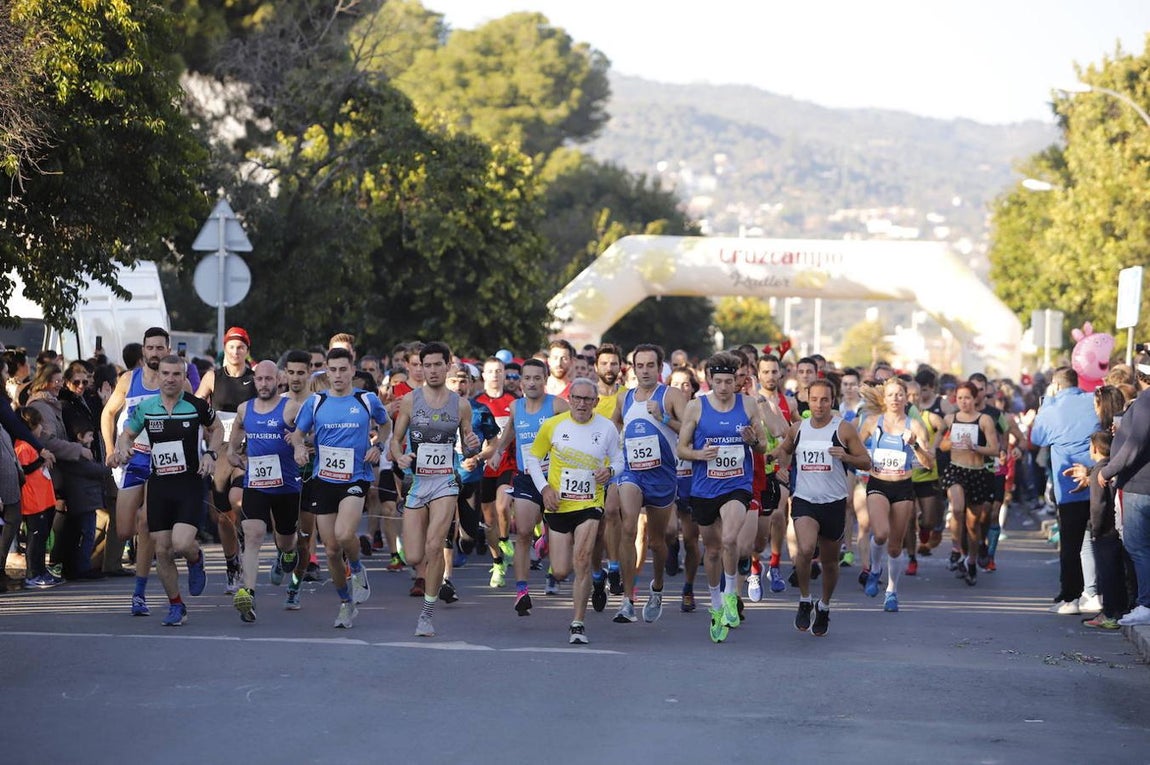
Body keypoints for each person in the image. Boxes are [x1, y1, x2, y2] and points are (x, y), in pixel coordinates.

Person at [111, 356, 223, 626]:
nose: (170, 379)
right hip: (159, 484)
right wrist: (122, 447)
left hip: (189, 483)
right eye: (166, 373)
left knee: (182, 544)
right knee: (162, 549)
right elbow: (127, 433)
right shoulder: (148, 408)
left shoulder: (196, 405)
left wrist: (211, 454)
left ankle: (195, 558)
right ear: (158, 375)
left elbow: (216, 428)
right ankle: (176, 605)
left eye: (176, 374)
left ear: (184, 377)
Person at [291, 347, 390, 629]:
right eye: (331, 370)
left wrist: (378, 446)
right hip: (324, 480)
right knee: (332, 550)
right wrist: (299, 448)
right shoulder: (316, 402)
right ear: (326, 373)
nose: (337, 375)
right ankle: (346, 603)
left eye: (342, 369)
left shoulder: (366, 400)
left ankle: (357, 568)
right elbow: (298, 433)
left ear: (352, 370)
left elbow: (386, 424)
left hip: (355, 477)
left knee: (345, 533)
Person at [676, 351, 770, 643]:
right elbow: (681, 448)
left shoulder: (749, 404)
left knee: (730, 539)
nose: (725, 388)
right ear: (710, 381)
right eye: (719, 382)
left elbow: (763, 446)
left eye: (730, 382)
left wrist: (751, 440)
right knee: (713, 550)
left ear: (737, 382)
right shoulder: (696, 407)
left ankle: (731, 594)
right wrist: (698, 454)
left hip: (736, 485)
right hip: (704, 487)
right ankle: (716, 603)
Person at [521, 377, 623, 644]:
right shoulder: (553, 425)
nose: (581, 404)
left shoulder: (607, 428)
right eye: (576, 398)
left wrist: (610, 471)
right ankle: (596, 577)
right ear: (569, 400)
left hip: (590, 503)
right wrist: (544, 488)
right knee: (561, 571)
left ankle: (577, 623)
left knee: (582, 558)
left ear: (596, 402)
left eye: (587, 399)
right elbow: (533, 458)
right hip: (558, 505)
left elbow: (620, 459)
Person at [389, 342, 479, 637]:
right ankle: (414, 555)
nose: (432, 370)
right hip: (418, 482)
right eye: (426, 365)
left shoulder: (460, 405)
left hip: (445, 482)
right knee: (414, 556)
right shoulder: (411, 402)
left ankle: (427, 614)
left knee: (434, 545)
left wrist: (472, 445)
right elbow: (395, 439)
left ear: (447, 365)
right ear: (421, 368)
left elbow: (466, 445)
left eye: (438, 364)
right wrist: (399, 455)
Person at [102, 328, 189, 615]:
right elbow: (108, 413)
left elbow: (193, 422)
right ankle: (150, 547)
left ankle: (139, 594)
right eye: (150, 348)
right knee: (125, 530)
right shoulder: (129, 380)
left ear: (168, 349)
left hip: (162, 463)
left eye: (159, 348)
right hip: (133, 460)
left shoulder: (179, 383)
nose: (154, 353)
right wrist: (110, 448)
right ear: (143, 350)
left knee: (146, 523)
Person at [777, 379, 871, 635]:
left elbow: (866, 461)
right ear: (807, 399)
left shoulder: (844, 429)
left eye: (825, 400)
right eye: (815, 399)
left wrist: (846, 456)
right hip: (805, 500)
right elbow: (784, 450)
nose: (819, 405)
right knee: (806, 549)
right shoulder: (798, 428)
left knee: (830, 563)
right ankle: (805, 600)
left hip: (834, 502)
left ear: (833, 401)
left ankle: (825, 605)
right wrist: (783, 469)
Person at [612, 344, 689, 624]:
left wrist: (664, 418)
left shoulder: (672, 395)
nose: (644, 371)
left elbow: (691, 429)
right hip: (632, 473)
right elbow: (612, 430)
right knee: (629, 527)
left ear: (660, 368)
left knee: (657, 542)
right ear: (633, 369)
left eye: (650, 365)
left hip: (663, 476)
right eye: (639, 366)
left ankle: (656, 587)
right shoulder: (625, 398)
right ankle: (627, 599)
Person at [488, 358, 569, 615]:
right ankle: (522, 590)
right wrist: (499, 451)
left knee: (560, 564)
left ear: (545, 380)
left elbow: (575, 429)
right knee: (522, 531)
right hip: (526, 477)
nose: (532, 383)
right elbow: (510, 431)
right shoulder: (515, 406)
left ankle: (546, 540)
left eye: (537, 378)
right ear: (521, 381)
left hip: (555, 479)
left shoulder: (556, 405)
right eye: (527, 378)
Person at [227, 360, 303, 621]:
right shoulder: (244, 409)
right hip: (256, 483)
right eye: (259, 379)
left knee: (285, 539)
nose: (263, 384)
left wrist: (300, 441)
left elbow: (309, 431)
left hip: (286, 486)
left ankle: (288, 552)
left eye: (268, 379)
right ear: (254, 380)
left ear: (278, 380)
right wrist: (231, 451)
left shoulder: (290, 407)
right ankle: (247, 593)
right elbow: (236, 428)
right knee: (253, 534)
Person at [856, 378, 933, 612]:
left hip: (903, 487)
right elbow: (856, 449)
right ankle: (875, 568)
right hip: (878, 483)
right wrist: (862, 463)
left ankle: (891, 591)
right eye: (891, 395)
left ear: (906, 398)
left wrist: (915, 446)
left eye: (900, 394)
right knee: (880, 534)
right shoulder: (872, 422)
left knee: (895, 546)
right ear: (884, 398)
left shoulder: (915, 426)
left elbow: (929, 463)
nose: (895, 399)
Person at [1030, 368, 1099, 614]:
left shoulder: (1052, 408)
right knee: (1098, 540)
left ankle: (1070, 597)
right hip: (1097, 480)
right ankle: (1095, 592)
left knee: (1070, 544)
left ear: (1056, 386)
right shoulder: (1094, 400)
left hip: (1068, 484)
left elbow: (1037, 438)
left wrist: (1047, 402)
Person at [195, 326, 255, 594]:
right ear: (225, 349)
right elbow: (195, 406)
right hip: (219, 451)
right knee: (222, 518)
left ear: (246, 350)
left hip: (247, 450)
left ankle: (244, 535)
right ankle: (233, 565)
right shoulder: (212, 377)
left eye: (240, 347)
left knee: (238, 501)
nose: (235, 351)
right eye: (231, 346)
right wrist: (205, 425)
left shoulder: (256, 379)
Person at [1098, 352, 1150, 626]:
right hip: (1140, 485)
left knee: (1137, 547)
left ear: (1140, 377)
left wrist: (1108, 470)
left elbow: (1134, 446)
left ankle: (1145, 603)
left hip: (1140, 486)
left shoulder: (1144, 404)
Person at [940, 383, 1000, 586]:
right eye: (959, 398)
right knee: (957, 508)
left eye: (967, 398)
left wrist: (975, 447)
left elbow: (994, 449)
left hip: (977, 472)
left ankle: (972, 560)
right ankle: (956, 547)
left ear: (975, 399)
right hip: (956, 469)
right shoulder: (950, 419)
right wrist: (952, 443)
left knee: (973, 525)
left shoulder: (985, 420)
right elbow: (941, 444)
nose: (964, 402)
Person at [15, 407, 61, 587]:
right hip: (33, 501)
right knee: (35, 538)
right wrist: (42, 460)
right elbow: (24, 469)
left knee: (42, 537)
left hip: (43, 499)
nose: (41, 427)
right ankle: (33, 573)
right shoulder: (23, 446)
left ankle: (41, 570)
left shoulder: (33, 445)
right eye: (38, 424)